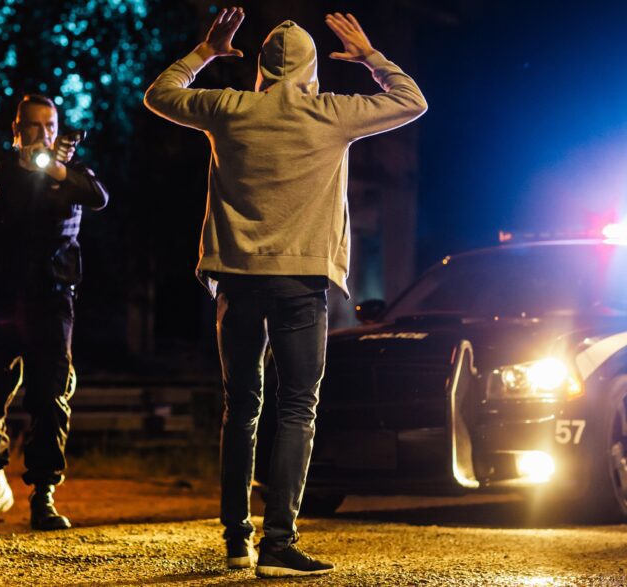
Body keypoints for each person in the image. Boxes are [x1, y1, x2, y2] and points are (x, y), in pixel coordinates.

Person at [143, 7, 426, 577]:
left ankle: (235, 539)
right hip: (300, 282)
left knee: (241, 408)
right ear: (311, 69)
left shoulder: (229, 108)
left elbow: (159, 95)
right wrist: (370, 57)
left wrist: (206, 51)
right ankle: (278, 543)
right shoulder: (331, 114)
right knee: (297, 408)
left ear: (262, 69)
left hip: (237, 279)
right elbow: (411, 100)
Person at [0, 94, 108, 536]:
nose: (43, 134)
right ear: (17, 130)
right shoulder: (2, 168)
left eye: (50, 126)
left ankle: (43, 495)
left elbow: (98, 196)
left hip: (51, 298)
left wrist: (57, 171)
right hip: (1, 298)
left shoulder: (73, 173)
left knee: (49, 395)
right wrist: (23, 168)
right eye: (33, 126)